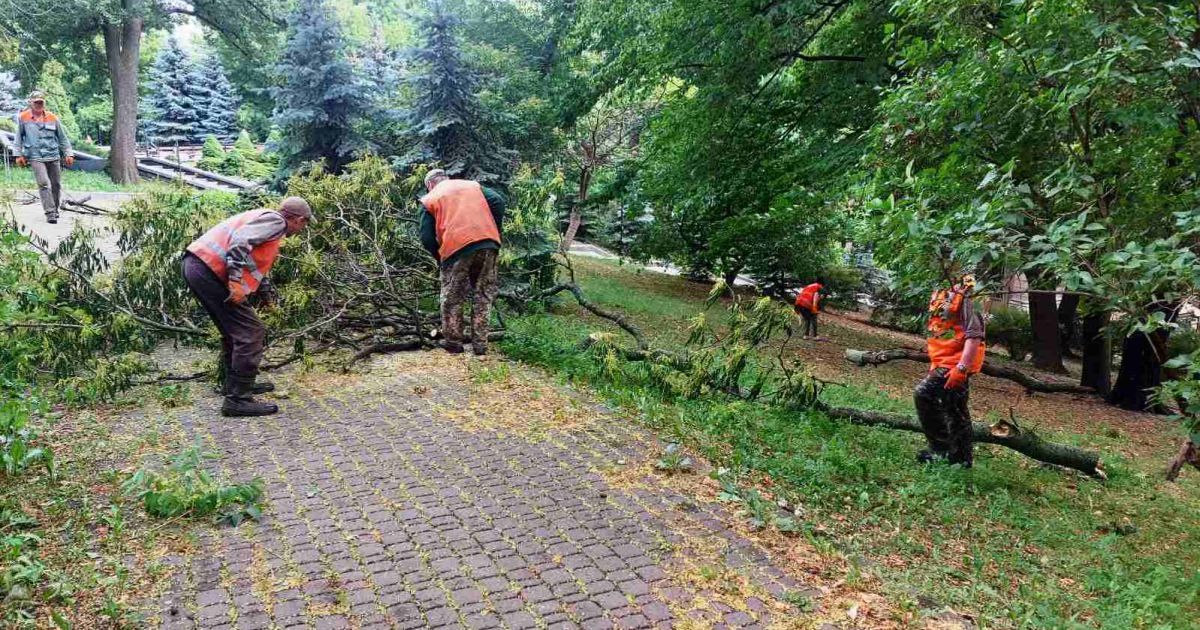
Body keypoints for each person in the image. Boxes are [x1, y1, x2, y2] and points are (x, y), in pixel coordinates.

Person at [182, 197, 313, 417]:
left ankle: (233, 386)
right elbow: (239, 243)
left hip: (197, 266)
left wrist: (266, 297)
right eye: (304, 225)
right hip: (208, 270)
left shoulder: (265, 220)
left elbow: (255, 265)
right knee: (251, 332)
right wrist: (234, 282)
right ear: (299, 219)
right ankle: (237, 399)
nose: (301, 230)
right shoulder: (276, 222)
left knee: (233, 332)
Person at [419, 169, 506, 356]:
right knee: (483, 295)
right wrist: (494, 231)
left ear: (430, 185)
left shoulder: (431, 197)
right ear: (446, 179)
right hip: (488, 244)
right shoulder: (472, 186)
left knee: (452, 298)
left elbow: (426, 237)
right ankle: (480, 345)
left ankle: (453, 343)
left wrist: (440, 257)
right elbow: (498, 201)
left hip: (456, 248)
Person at [914, 274, 986, 467]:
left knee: (924, 395)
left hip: (957, 363)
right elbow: (940, 330)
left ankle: (941, 450)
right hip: (943, 361)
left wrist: (961, 368)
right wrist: (934, 365)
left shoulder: (968, 292)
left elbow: (975, 334)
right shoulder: (940, 290)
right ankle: (961, 459)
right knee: (954, 408)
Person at [13, 90, 73, 224]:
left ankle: (55, 209)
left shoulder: (53, 117)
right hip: (35, 156)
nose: (39, 104)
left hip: (53, 155)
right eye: (36, 102)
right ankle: (50, 213)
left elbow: (63, 138)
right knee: (44, 184)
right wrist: (18, 155)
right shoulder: (23, 118)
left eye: (41, 102)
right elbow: (18, 138)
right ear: (31, 103)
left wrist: (68, 153)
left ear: (44, 102)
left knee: (56, 184)